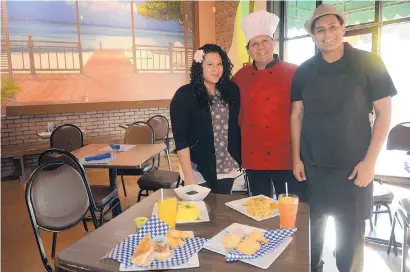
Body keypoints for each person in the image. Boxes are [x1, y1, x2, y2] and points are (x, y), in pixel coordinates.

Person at [290, 5, 397, 272]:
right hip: (312, 169)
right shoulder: (304, 70)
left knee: (349, 250)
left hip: (354, 170)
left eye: (333, 27)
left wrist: (370, 163)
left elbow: (384, 114)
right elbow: (296, 115)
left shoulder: (369, 62)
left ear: (343, 28)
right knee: (309, 242)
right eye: (320, 30)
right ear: (313, 36)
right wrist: (296, 159)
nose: (328, 35)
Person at [233, 10, 306, 200]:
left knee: (289, 209)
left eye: (264, 41)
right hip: (253, 156)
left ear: (273, 42)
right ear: (249, 50)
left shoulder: (294, 72)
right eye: (254, 43)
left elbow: (302, 115)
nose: (260, 47)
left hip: (286, 156)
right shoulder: (240, 77)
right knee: (258, 210)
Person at [170, 44, 241, 194]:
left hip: (226, 165)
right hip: (198, 167)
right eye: (209, 64)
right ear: (199, 67)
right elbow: (181, 139)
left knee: (220, 209)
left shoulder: (231, 91)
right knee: (201, 212)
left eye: (219, 64)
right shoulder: (184, 95)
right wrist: (189, 175)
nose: (216, 69)